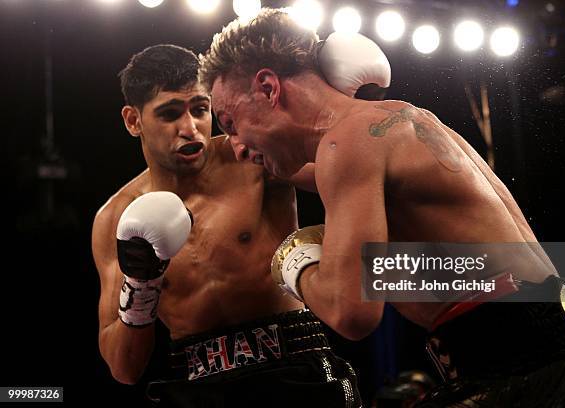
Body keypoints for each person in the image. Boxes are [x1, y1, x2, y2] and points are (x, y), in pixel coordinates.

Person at [200, 8, 565, 406]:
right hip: (548, 346)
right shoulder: (390, 123)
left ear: (269, 88)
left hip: (527, 368)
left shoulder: (347, 145)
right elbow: (296, 171)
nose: (235, 147)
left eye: (231, 123)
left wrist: (295, 261)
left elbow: (352, 314)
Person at [92, 42, 388, 407]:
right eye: (169, 114)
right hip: (197, 383)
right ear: (133, 121)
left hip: (294, 362)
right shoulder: (114, 219)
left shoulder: (253, 155)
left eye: (200, 110)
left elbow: (357, 167)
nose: (190, 129)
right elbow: (124, 369)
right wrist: (141, 286)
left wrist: (358, 108)